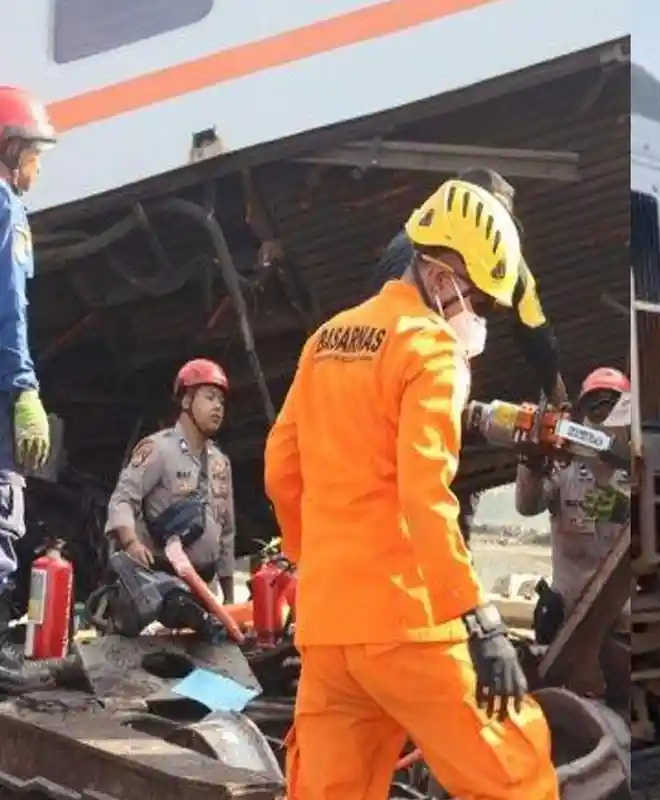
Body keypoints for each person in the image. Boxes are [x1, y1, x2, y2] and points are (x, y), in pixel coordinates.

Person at [265, 178, 558, 800]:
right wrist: (480, 622)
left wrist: (313, 565)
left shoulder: (326, 338)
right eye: (477, 299)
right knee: (517, 773)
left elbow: (280, 466)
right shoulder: (431, 351)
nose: (476, 316)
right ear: (441, 272)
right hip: (408, 623)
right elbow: (425, 494)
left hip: (329, 630)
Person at [375, 166, 568, 405]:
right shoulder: (408, 251)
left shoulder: (409, 239)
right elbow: (537, 337)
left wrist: (560, 406)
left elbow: (537, 336)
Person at [0, 87, 56, 679]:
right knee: (1, 508)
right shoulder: (7, 207)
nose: (38, 168)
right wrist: (24, 387)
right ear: (12, 150)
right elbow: (9, 306)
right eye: (35, 155)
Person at [104, 359, 238, 605]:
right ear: (187, 401)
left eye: (221, 401)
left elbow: (226, 533)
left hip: (205, 593)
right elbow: (122, 499)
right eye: (209, 397)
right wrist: (131, 543)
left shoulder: (220, 463)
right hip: (160, 587)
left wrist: (229, 600)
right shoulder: (159, 449)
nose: (218, 406)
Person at [515, 367, 632, 646]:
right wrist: (531, 464)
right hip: (567, 617)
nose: (603, 415)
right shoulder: (566, 468)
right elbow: (528, 506)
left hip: (622, 620)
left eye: (611, 405)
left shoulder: (643, 469)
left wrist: (626, 512)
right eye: (595, 407)